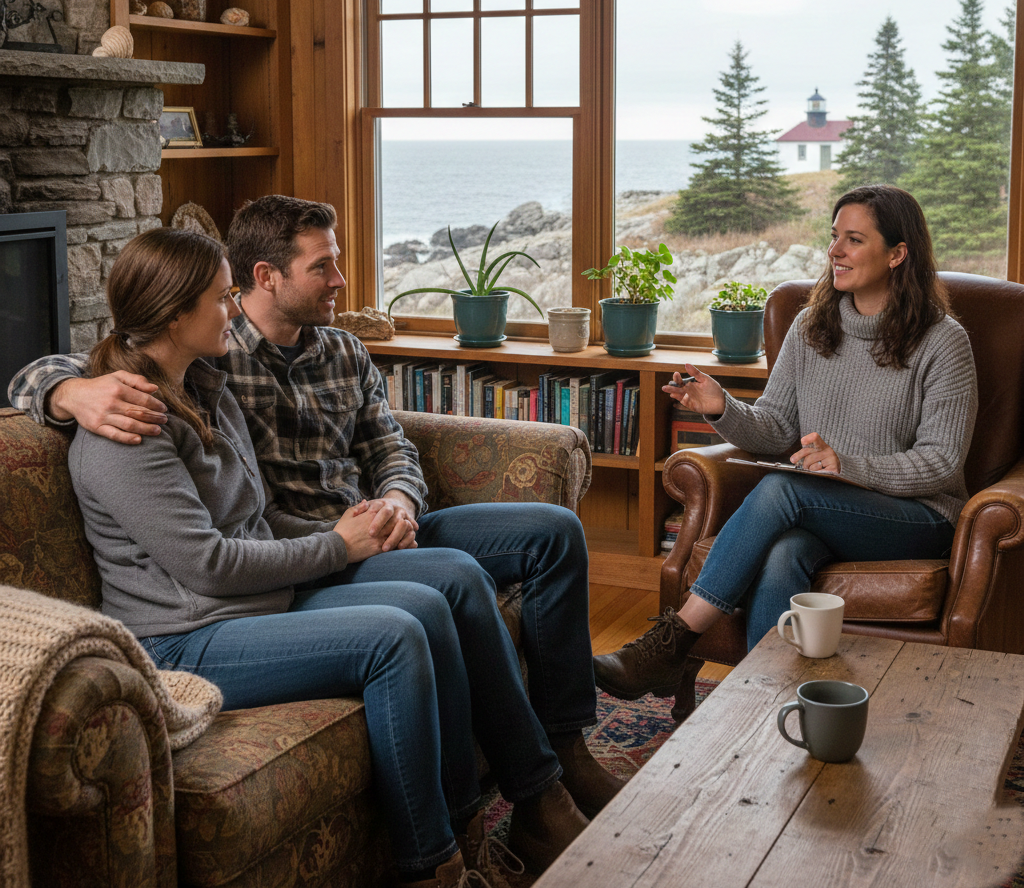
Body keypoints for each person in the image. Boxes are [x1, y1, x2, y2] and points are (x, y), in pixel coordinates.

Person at [8, 195, 623, 821]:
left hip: (354, 525)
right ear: (266, 277)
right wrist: (69, 392)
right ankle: (519, 804)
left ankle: (563, 748)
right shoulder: (200, 368)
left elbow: (389, 446)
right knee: (451, 586)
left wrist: (397, 502)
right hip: (295, 559)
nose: (340, 280)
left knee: (554, 532)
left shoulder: (305, 358)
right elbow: (72, 364)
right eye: (322, 265)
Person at [593, 185, 978, 701]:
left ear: (897, 254)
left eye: (854, 239)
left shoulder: (943, 341)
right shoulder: (810, 325)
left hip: (917, 517)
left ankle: (672, 641)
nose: (834, 251)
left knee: (782, 491)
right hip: (828, 513)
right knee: (784, 553)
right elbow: (775, 428)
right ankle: (767, 705)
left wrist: (847, 464)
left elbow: (942, 462)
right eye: (834, 237)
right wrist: (721, 407)